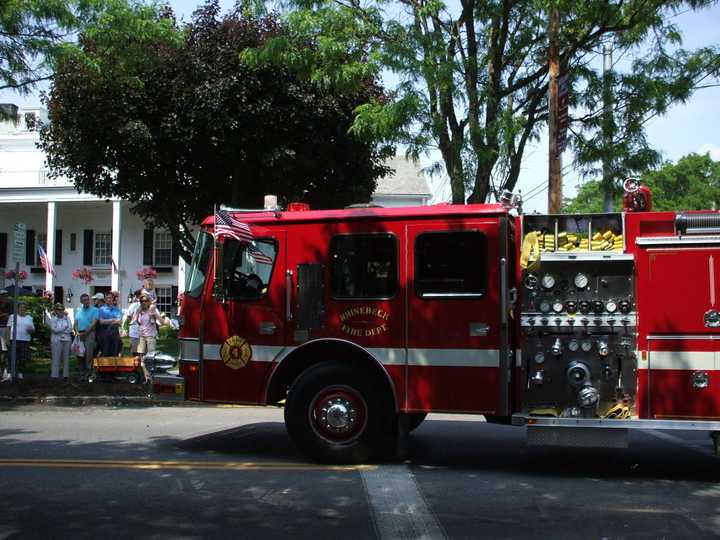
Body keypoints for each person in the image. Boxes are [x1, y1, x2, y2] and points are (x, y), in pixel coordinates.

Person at [7, 302, 35, 380]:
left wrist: (31, 330)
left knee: (23, 357)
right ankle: (10, 372)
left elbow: (33, 329)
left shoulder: (29, 318)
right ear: (18, 308)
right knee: (12, 356)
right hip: (14, 339)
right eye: (21, 307)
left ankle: (20, 372)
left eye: (24, 307)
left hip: (25, 340)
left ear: (26, 309)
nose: (23, 309)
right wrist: (7, 339)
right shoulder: (12, 316)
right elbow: (8, 328)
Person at [73, 293, 98, 377]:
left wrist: (85, 333)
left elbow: (93, 323)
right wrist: (77, 332)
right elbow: (75, 323)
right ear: (81, 301)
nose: (86, 302)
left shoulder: (94, 310)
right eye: (84, 300)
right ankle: (81, 372)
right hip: (79, 334)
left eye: (87, 300)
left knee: (89, 354)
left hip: (89, 334)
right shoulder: (79, 311)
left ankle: (89, 372)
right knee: (79, 353)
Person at [48, 303, 72, 380]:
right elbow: (54, 329)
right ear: (55, 311)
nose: (60, 311)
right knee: (56, 357)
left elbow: (70, 329)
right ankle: (55, 375)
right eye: (58, 310)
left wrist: (61, 330)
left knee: (66, 358)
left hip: (67, 339)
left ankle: (66, 375)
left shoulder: (67, 318)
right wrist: (63, 329)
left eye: (62, 309)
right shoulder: (53, 319)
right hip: (56, 340)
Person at [98, 291, 122, 356]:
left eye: (110, 298)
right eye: (107, 298)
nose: (109, 299)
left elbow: (119, 321)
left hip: (115, 332)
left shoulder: (117, 309)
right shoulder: (101, 309)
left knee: (115, 351)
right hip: (104, 332)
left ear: (112, 299)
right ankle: (105, 366)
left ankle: (114, 366)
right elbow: (101, 322)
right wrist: (113, 319)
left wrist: (106, 321)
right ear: (105, 299)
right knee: (105, 351)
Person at [122, 290, 142, 355]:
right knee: (135, 351)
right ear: (137, 296)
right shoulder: (133, 305)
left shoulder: (147, 305)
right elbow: (128, 317)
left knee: (144, 352)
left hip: (145, 331)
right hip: (135, 331)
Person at [92, 293, 106, 357]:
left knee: (103, 348)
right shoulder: (94, 307)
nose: (94, 300)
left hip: (103, 331)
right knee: (95, 348)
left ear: (100, 300)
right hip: (96, 330)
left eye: (95, 299)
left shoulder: (105, 308)